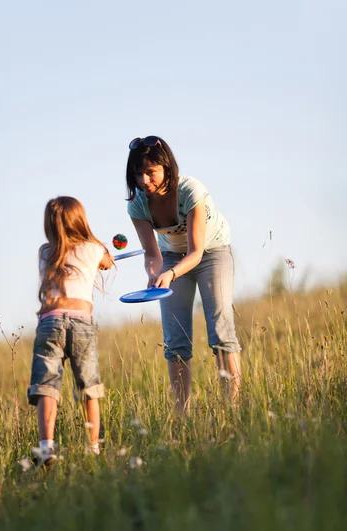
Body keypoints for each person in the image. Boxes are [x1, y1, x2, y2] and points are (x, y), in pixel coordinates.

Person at [125, 136, 241, 411]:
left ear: (166, 168)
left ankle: (233, 408)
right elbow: (152, 254)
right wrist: (155, 276)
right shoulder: (137, 205)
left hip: (212, 253)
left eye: (150, 172)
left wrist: (171, 274)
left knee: (220, 331)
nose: (144, 180)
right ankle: (181, 414)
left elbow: (196, 252)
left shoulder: (191, 191)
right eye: (138, 173)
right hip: (172, 257)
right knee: (175, 340)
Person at [27, 196, 114, 467]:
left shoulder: (45, 252)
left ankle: (46, 447)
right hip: (81, 323)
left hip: (49, 323)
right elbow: (108, 262)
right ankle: (93, 448)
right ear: (80, 220)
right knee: (89, 386)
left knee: (47, 387)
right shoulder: (93, 248)